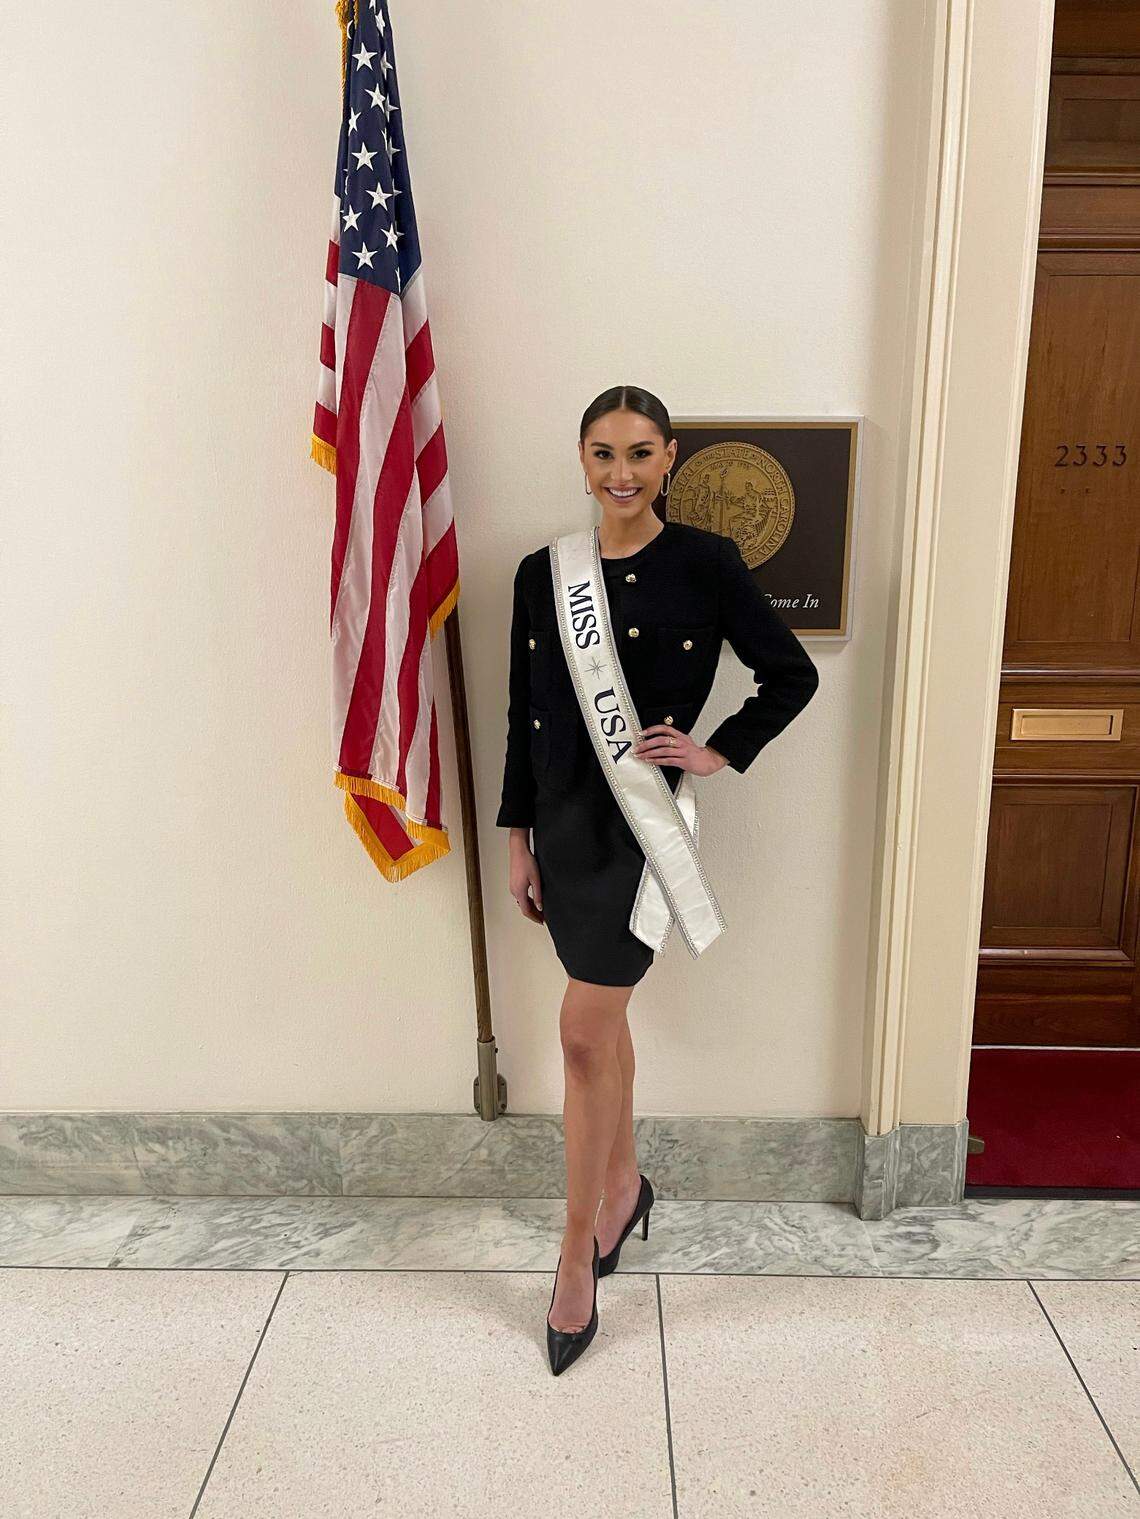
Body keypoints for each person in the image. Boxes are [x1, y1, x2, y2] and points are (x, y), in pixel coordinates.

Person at [494, 385, 819, 1374]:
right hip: (565, 827)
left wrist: (716, 750)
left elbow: (789, 674)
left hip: (642, 828)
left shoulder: (706, 563)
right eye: (602, 454)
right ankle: (626, 1185)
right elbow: (523, 709)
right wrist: (517, 835)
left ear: (670, 456)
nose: (621, 473)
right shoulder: (541, 574)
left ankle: (574, 1256)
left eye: (640, 452)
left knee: (581, 1032)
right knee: (605, 1031)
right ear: (581, 458)